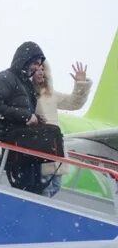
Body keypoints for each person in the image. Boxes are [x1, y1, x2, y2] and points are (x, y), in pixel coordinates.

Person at [0, 42, 47, 193]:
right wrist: (26, 116)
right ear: (25, 60)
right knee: (22, 185)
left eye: (39, 65)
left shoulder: (25, 83)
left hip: (24, 142)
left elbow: (21, 110)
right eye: (35, 63)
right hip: (13, 141)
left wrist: (36, 118)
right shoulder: (5, 78)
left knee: (33, 185)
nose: (37, 68)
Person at [33, 61, 92, 197]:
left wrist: (81, 85)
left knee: (55, 188)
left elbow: (74, 103)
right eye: (37, 69)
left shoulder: (50, 95)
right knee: (44, 191)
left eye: (43, 69)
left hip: (54, 152)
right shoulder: (25, 93)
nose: (40, 72)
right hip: (38, 152)